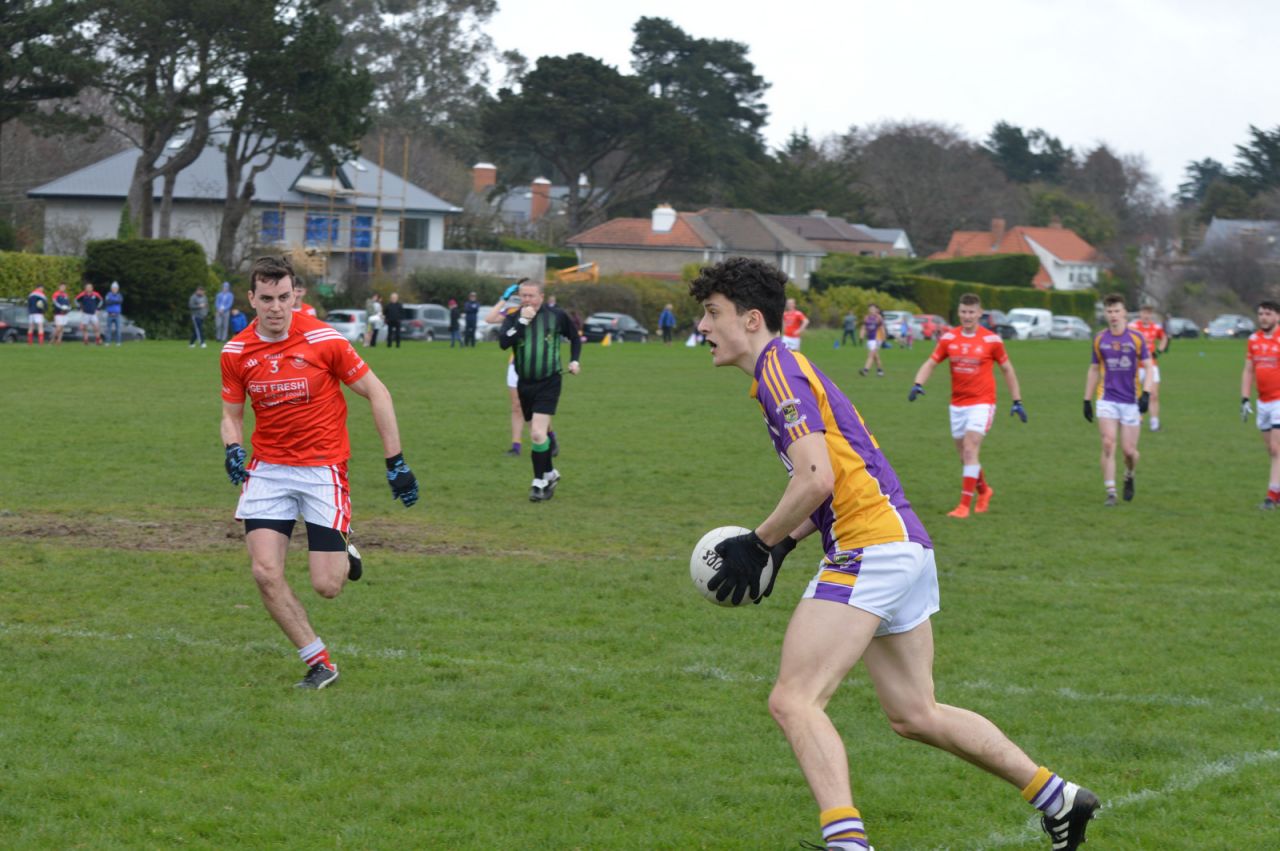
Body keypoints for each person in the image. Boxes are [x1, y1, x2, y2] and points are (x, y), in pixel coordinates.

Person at [688, 256, 1098, 851]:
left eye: (712, 312)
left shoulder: (779, 372)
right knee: (915, 713)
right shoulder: (784, 371)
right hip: (901, 544)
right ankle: (1057, 796)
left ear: (751, 319)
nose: (702, 325)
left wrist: (759, 543)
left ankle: (848, 843)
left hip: (870, 548)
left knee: (793, 699)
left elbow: (814, 477)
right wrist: (785, 546)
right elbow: (842, 474)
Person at [220, 255, 419, 690]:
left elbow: (378, 393)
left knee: (327, 586)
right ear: (251, 299)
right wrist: (233, 447)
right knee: (264, 572)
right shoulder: (235, 351)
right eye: (266, 298)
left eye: (284, 297)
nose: (276, 307)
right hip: (269, 471)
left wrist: (396, 462)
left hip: (322, 470)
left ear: (298, 296)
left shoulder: (325, 340)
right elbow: (231, 415)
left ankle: (345, 549)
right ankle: (319, 661)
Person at [908, 294, 1027, 518]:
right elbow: (931, 362)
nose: (967, 316)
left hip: (983, 403)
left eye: (972, 312)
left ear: (980, 313)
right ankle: (984, 490)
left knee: (971, 449)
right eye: (963, 311)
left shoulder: (992, 340)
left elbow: (1007, 370)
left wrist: (1017, 400)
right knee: (965, 456)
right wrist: (918, 383)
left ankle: (963, 506)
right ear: (959, 312)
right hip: (957, 405)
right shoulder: (949, 338)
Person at [498, 279, 580, 500]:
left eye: (531, 296)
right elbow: (504, 343)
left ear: (541, 297)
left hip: (550, 381)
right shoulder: (514, 318)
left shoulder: (557, 316)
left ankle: (539, 482)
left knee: (536, 433)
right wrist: (522, 323)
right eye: (523, 296)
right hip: (525, 383)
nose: (527, 300)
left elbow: (575, 338)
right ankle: (550, 473)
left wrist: (574, 361)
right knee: (538, 437)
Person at [1084, 294, 1154, 506]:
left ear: (1124, 312)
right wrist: (1086, 399)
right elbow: (1094, 369)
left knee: (1129, 452)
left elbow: (1149, 367)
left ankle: (1129, 475)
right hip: (1106, 398)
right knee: (1107, 443)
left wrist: (1147, 394)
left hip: (1131, 400)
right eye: (1109, 311)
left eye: (1116, 311)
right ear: (1105, 314)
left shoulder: (1136, 338)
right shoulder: (1100, 339)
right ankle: (1111, 492)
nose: (1113, 315)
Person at [1241, 299, 1280, 509]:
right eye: (1261, 313)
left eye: (1268, 313)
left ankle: (1271, 496)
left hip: (1279, 401)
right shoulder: (1253, 340)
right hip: (1262, 402)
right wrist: (1245, 398)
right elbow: (1248, 370)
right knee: (1271, 450)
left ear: (1277, 316)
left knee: (1276, 449)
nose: (1264, 317)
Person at [1128, 303, 1169, 431]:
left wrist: (1159, 351)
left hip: (1152, 366)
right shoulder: (1133, 327)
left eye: (1149, 313)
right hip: (1137, 366)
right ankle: (1137, 419)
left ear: (1151, 314)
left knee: (1154, 395)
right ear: (1140, 313)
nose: (1146, 315)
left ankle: (1154, 422)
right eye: (1144, 312)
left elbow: (1164, 338)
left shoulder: (1156, 327)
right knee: (1135, 394)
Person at [859, 304, 886, 377]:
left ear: (876, 310)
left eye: (873, 309)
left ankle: (865, 370)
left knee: (871, 354)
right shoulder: (866, 318)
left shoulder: (878, 318)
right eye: (870, 309)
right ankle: (880, 370)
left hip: (877, 339)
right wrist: (861, 336)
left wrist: (883, 338)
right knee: (875, 356)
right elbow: (864, 327)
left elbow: (882, 328)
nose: (872, 310)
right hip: (870, 340)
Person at [104, 282, 125, 346]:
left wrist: (112, 301)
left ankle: (118, 342)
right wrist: (115, 301)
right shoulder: (108, 294)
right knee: (108, 330)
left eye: (116, 288)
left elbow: (120, 301)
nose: (114, 289)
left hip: (117, 315)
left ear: (117, 289)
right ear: (111, 288)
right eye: (113, 288)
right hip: (110, 314)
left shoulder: (119, 295)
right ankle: (108, 342)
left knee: (118, 330)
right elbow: (107, 302)